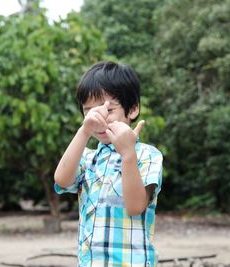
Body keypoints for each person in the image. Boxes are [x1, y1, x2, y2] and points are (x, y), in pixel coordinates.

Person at [54, 61, 163, 267]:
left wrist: (128, 154)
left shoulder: (147, 155)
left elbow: (135, 206)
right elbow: (61, 179)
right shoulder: (87, 158)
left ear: (132, 109)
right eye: (89, 112)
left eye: (108, 110)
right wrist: (84, 131)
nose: (99, 120)